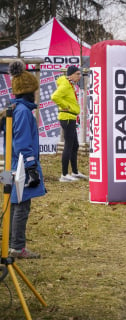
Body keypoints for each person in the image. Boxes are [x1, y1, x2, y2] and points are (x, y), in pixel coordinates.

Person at [7, 60, 46, 258]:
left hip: (16, 164)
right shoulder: (23, 112)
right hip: (21, 165)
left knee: (16, 203)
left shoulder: (18, 109)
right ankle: (16, 247)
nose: (36, 94)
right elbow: (22, 143)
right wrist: (31, 167)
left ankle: (12, 244)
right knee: (21, 205)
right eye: (34, 90)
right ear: (28, 91)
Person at [51, 65, 88, 182]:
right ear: (70, 74)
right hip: (67, 118)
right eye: (77, 74)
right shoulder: (66, 85)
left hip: (71, 118)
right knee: (68, 145)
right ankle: (64, 174)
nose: (80, 76)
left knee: (75, 145)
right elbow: (54, 96)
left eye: (80, 74)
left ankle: (75, 172)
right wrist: (65, 106)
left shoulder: (70, 84)